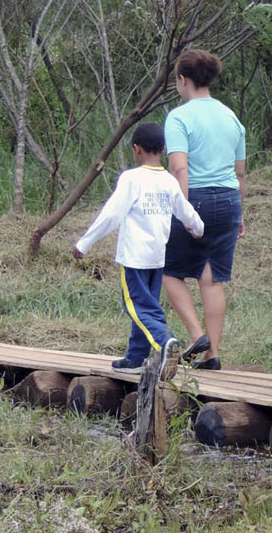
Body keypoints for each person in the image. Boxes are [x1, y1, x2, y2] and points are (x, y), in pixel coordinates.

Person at [73, 122, 204, 379]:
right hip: (157, 257)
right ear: (163, 149)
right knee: (146, 304)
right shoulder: (168, 180)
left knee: (137, 307)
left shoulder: (131, 179)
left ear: (136, 149)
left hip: (134, 257)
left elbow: (111, 215)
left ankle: (165, 340)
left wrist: (84, 243)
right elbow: (185, 210)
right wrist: (198, 227)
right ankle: (135, 357)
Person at [162, 49, 247, 371]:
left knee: (169, 271)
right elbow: (240, 172)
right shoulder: (231, 117)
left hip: (194, 196)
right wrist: (240, 213)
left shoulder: (179, 117)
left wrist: (184, 210)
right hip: (228, 199)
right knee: (211, 280)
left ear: (183, 79)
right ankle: (213, 354)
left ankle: (197, 336)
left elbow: (179, 168)